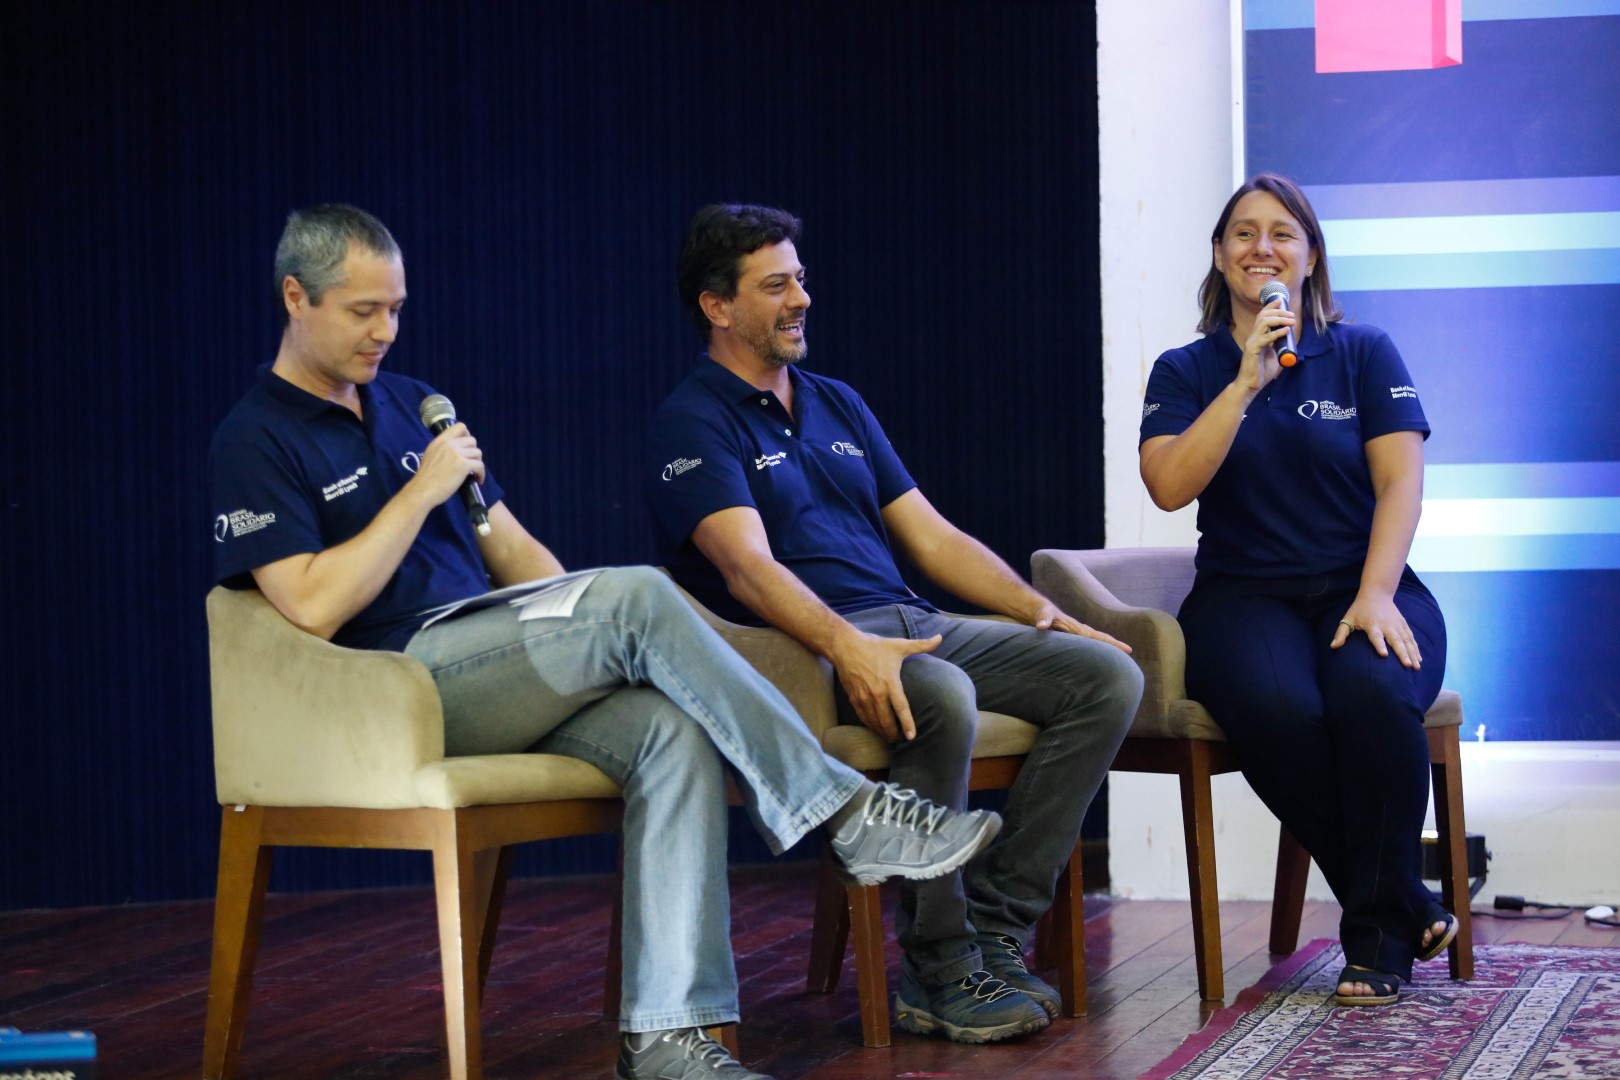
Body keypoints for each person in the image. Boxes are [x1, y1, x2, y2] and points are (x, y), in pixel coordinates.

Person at [209, 204, 1005, 1080]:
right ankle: (847, 813)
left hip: (490, 658)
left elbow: (514, 552)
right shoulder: (255, 437)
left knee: (671, 729)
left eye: (395, 308)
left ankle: (666, 1040)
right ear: (296, 297)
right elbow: (310, 606)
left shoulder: (408, 403)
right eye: (363, 311)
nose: (385, 332)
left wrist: (575, 619)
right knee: (638, 594)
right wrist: (421, 495)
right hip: (395, 688)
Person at [647, 203, 1143, 1044]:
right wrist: (848, 646)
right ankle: (938, 970)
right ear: (717, 305)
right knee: (937, 691)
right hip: (798, 652)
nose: (802, 298)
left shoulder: (837, 402)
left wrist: (1040, 611)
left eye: (801, 279)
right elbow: (746, 570)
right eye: (776, 285)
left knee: (1105, 677)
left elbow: (932, 537)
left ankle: (993, 926)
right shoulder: (692, 420)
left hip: (909, 620)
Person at [1138, 173, 1455, 1007]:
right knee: (1279, 710)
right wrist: (1244, 382)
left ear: (1310, 257)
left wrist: (1377, 592)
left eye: (1283, 233)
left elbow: (1401, 484)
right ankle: (1400, 903)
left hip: (1366, 585)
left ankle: (1378, 936)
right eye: (1244, 233)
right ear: (1219, 255)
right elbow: (1168, 486)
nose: (1263, 248)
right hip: (1245, 596)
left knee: (1371, 695)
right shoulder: (1187, 369)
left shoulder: (1364, 352)